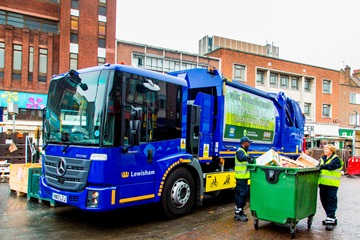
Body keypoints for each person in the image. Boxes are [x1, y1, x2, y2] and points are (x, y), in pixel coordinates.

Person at [318, 144, 343, 231]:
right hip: (322, 184)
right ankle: (331, 217)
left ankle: (330, 220)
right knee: (324, 201)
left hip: (332, 185)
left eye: (327, 149)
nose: (325, 150)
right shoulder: (322, 158)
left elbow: (331, 166)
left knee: (331, 201)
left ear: (331, 150)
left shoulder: (336, 159)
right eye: (324, 149)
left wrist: (321, 167)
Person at [234, 136, 254, 222]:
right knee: (243, 193)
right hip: (241, 177)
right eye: (248, 142)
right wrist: (247, 158)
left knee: (239, 193)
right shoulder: (240, 151)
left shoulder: (244, 152)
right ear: (244, 143)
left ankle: (240, 210)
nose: (249, 144)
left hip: (242, 177)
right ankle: (238, 213)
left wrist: (250, 157)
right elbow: (241, 158)